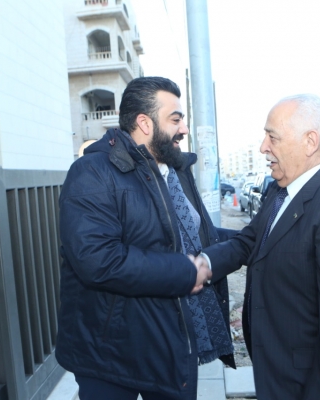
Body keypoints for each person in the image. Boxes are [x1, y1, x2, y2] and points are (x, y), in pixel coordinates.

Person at [56, 76, 236, 400]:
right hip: (108, 356)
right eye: (175, 120)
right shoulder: (92, 173)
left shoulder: (175, 171)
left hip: (169, 344)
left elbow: (197, 237)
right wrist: (186, 272)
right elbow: (98, 261)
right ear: (145, 123)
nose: (184, 129)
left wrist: (252, 239)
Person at [197, 94, 320, 399]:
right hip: (274, 370)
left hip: (306, 384)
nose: (263, 147)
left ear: (310, 142)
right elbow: (251, 240)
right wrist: (205, 263)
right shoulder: (279, 190)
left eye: (273, 137)